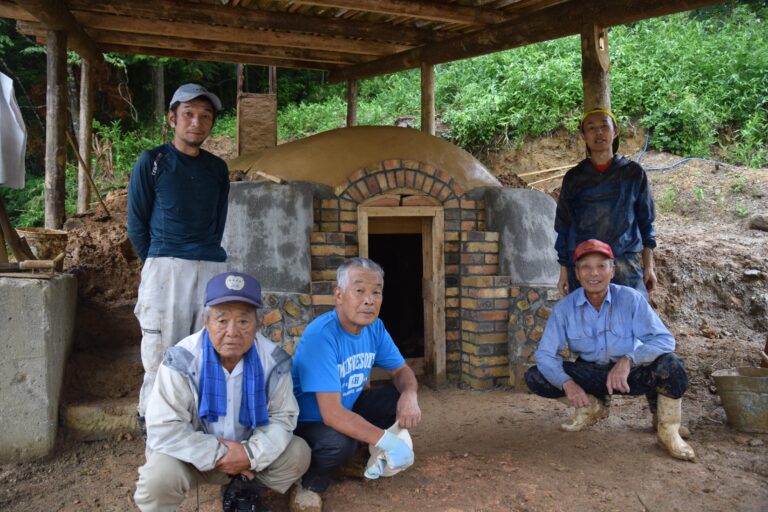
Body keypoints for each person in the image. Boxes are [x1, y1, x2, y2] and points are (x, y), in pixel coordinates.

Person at [134, 271, 310, 511]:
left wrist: (249, 454)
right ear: (206, 321)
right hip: (197, 459)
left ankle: (243, 489)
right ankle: (235, 478)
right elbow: (165, 427)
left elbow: (283, 416)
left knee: (298, 454)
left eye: (243, 321)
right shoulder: (183, 359)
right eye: (222, 320)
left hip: (250, 456)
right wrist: (219, 454)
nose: (232, 331)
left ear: (257, 325)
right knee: (157, 478)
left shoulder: (273, 361)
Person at [524, 239, 695, 461]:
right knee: (536, 376)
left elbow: (664, 340)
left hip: (628, 376)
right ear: (576, 273)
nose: (593, 273)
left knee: (672, 366)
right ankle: (592, 406)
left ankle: (668, 431)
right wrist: (568, 384)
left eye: (601, 266)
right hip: (592, 374)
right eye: (586, 267)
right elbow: (546, 355)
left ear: (612, 271)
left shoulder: (631, 299)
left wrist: (628, 360)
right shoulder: (564, 309)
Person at [127, 83, 230, 422]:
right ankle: (153, 424)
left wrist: (203, 255)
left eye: (205, 116)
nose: (196, 122)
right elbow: (136, 225)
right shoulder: (153, 161)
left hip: (210, 268)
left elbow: (218, 222)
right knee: (162, 352)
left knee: (206, 350)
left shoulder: (217, 169)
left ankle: (195, 424)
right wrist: (160, 260)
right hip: (166, 267)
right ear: (172, 118)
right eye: (188, 114)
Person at [290, 257, 422, 510]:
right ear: (339, 295)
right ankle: (309, 484)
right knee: (339, 443)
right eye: (359, 290)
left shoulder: (375, 327)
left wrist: (410, 395)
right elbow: (331, 414)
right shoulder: (321, 336)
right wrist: (388, 441)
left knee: (395, 397)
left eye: (376, 292)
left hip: (344, 409)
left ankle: (354, 456)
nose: (369, 300)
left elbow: (401, 370)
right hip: (307, 421)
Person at [555, 108, 657, 299]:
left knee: (630, 320)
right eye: (591, 128)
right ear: (583, 135)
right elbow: (564, 226)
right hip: (586, 266)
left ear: (615, 131)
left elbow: (646, 223)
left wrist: (649, 267)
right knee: (588, 323)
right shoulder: (574, 178)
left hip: (625, 263)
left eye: (604, 126)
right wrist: (564, 270)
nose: (599, 132)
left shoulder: (633, 173)